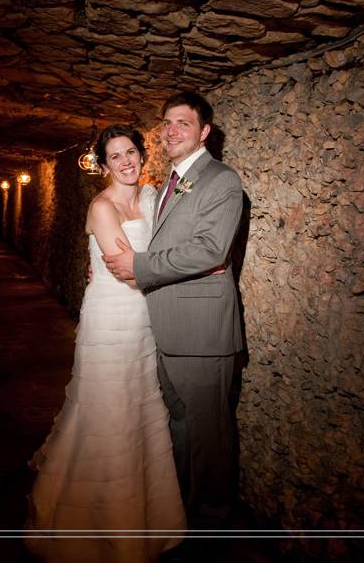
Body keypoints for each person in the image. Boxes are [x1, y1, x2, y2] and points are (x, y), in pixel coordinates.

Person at [25, 124, 186, 562]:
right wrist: (190, 268)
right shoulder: (101, 206)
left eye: (131, 152)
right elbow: (127, 267)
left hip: (145, 319)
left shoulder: (154, 197)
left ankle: (146, 517)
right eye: (115, 156)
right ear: (104, 164)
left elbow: (170, 240)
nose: (126, 161)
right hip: (112, 321)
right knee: (109, 411)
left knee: (140, 407)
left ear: (142, 155)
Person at [103, 92, 244, 523]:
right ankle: (183, 511)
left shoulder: (221, 179)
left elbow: (209, 249)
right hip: (167, 328)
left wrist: (138, 266)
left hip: (202, 332)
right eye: (167, 123)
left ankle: (212, 520)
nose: (171, 130)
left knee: (207, 433)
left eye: (183, 123)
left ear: (204, 132)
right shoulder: (171, 182)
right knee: (181, 427)